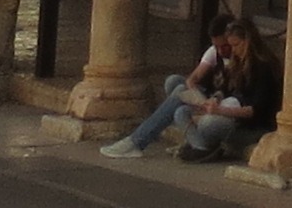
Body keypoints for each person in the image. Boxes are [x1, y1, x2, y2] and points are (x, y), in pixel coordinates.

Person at [105, 13, 279, 163]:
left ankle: (143, 141)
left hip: (245, 122)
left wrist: (219, 111)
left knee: (206, 121)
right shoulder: (236, 61)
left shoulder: (262, 66)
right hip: (225, 107)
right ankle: (201, 146)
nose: (233, 50)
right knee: (180, 108)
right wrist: (214, 100)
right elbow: (224, 89)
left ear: (247, 41)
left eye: (235, 45)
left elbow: (255, 109)